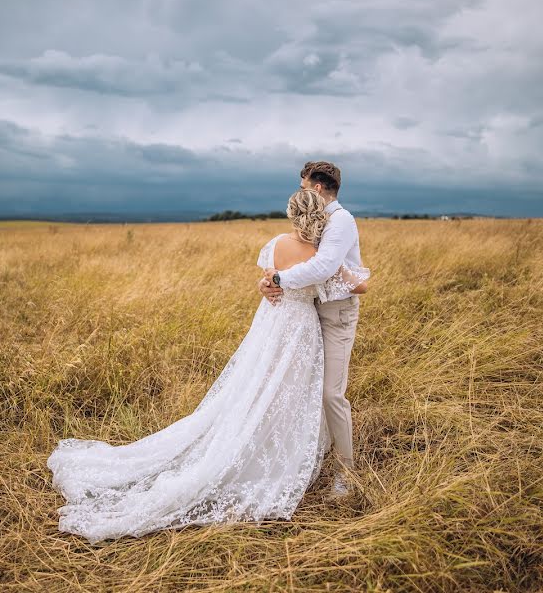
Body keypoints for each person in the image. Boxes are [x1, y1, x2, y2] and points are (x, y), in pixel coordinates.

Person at [46, 188, 370, 544]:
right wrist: (337, 270)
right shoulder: (321, 256)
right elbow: (355, 284)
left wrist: (269, 282)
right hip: (303, 329)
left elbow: (268, 277)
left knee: (259, 386)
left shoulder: (276, 243)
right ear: (318, 217)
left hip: (274, 324)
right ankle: (280, 450)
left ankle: (259, 441)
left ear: (291, 214)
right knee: (292, 391)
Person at [258, 161, 363, 498]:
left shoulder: (341, 220)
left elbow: (324, 267)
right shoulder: (315, 223)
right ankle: (302, 458)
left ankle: (346, 476)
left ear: (316, 187)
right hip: (306, 313)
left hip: (335, 315)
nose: (301, 190)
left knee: (331, 393)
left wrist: (279, 280)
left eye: (303, 185)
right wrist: (269, 284)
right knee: (302, 389)